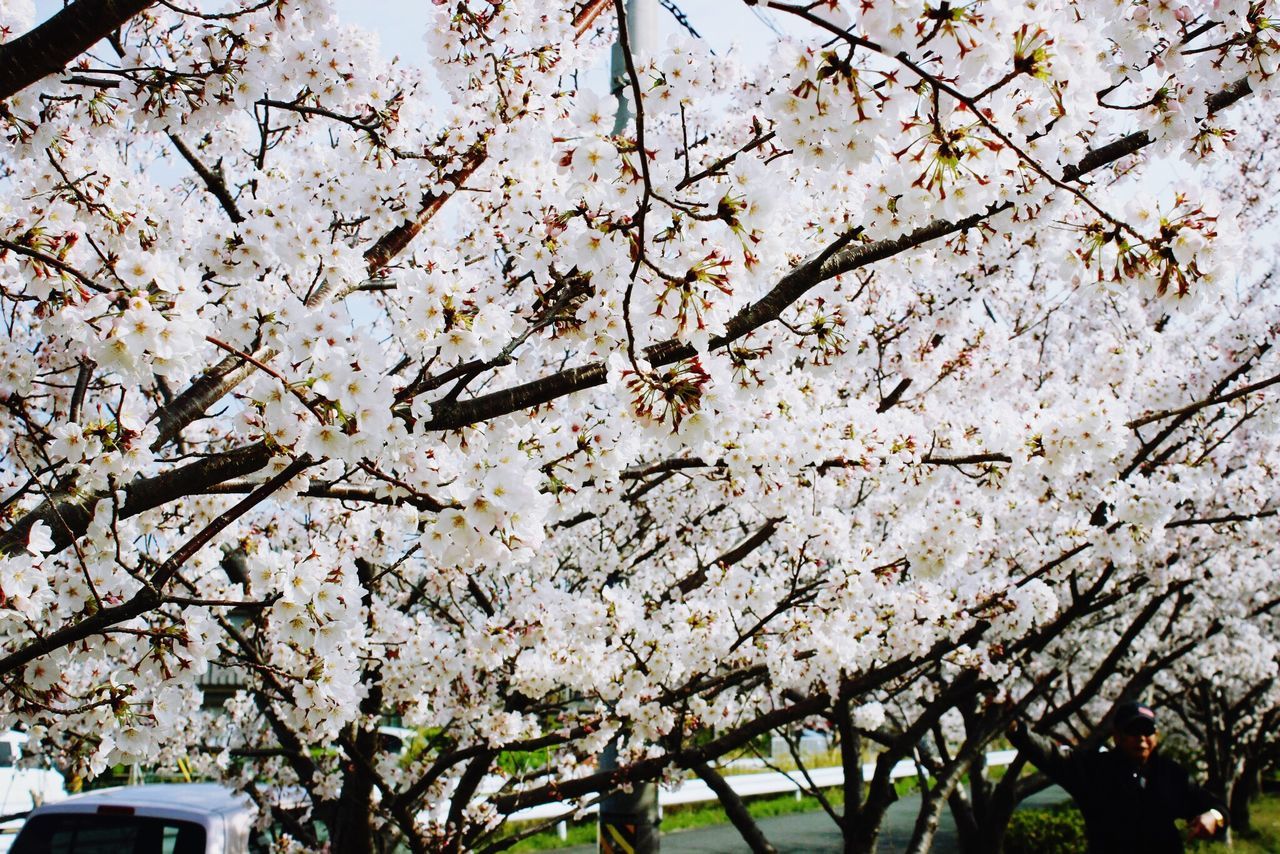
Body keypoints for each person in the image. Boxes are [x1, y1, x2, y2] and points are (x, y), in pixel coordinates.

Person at [1008, 701, 1226, 853]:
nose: (1141, 739)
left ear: (1156, 737)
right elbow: (1051, 756)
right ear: (1117, 736)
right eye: (1133, 731)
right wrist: (1016, 729)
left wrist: (1213, 817)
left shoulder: (1171, 773)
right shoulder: (1094, 769)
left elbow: (1214, 805)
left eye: (1147, 731)